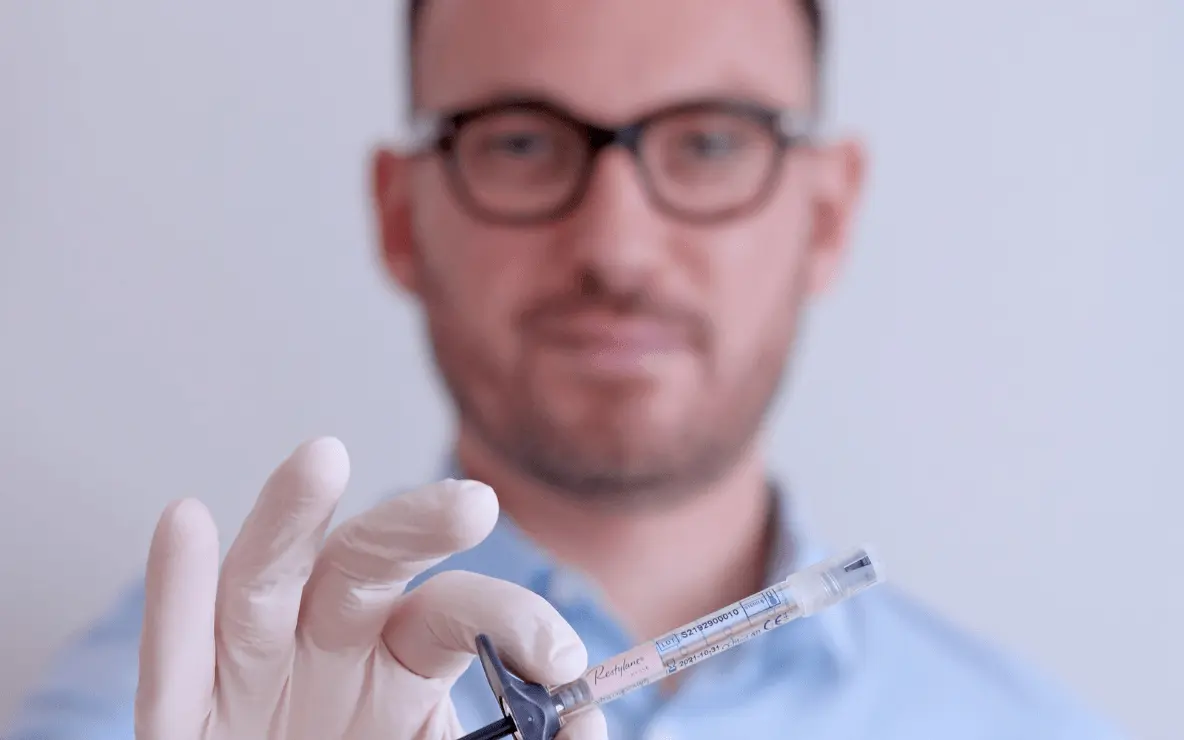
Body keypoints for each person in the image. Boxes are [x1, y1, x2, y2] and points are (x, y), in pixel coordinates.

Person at [6, 1, 1128, 739]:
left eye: (708, 140)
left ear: (825, 215)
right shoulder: (184, 699)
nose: (615, 246)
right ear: (400, 217)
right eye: (522, 141)